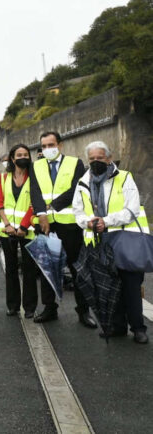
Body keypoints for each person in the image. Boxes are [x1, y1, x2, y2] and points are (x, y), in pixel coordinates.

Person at [72, 141, 149, 343]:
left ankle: (139, 328)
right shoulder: (83, 182)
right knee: (107, 286)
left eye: (100, 158)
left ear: (109, 158)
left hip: (124, 240)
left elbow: (131, 210)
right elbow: (77, 212)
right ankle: (116, 327)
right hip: (98, 242)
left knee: (131, 286)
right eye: (92, 159)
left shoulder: (124, 178)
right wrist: (87, 222)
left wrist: (105, 221)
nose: (96, 162)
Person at [30, 132, 97, 328]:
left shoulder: (74, 163)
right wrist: (42, 213)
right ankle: (50, 308)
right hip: (44, 223)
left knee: (77, 268)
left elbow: (76, 188)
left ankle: (83, 311)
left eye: (51, 144)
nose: (47, 149)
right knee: (47, 267)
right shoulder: (36, 166)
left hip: (69, 223)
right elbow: (35, 191)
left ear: (60, 145)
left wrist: (52, 206)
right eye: (43, 146)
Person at [0, 144, 39, 318]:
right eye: (19, 154)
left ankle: (29, 307)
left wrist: (23, 226)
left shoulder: (34, 178)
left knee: (29, 269)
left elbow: (34, 204)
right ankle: (12, 305)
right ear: (12, 159)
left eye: (26, 154)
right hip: (7, 231)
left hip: (27, 230)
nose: (22, 157)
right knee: (10, 269)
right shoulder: (3, 178)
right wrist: (7, 224)